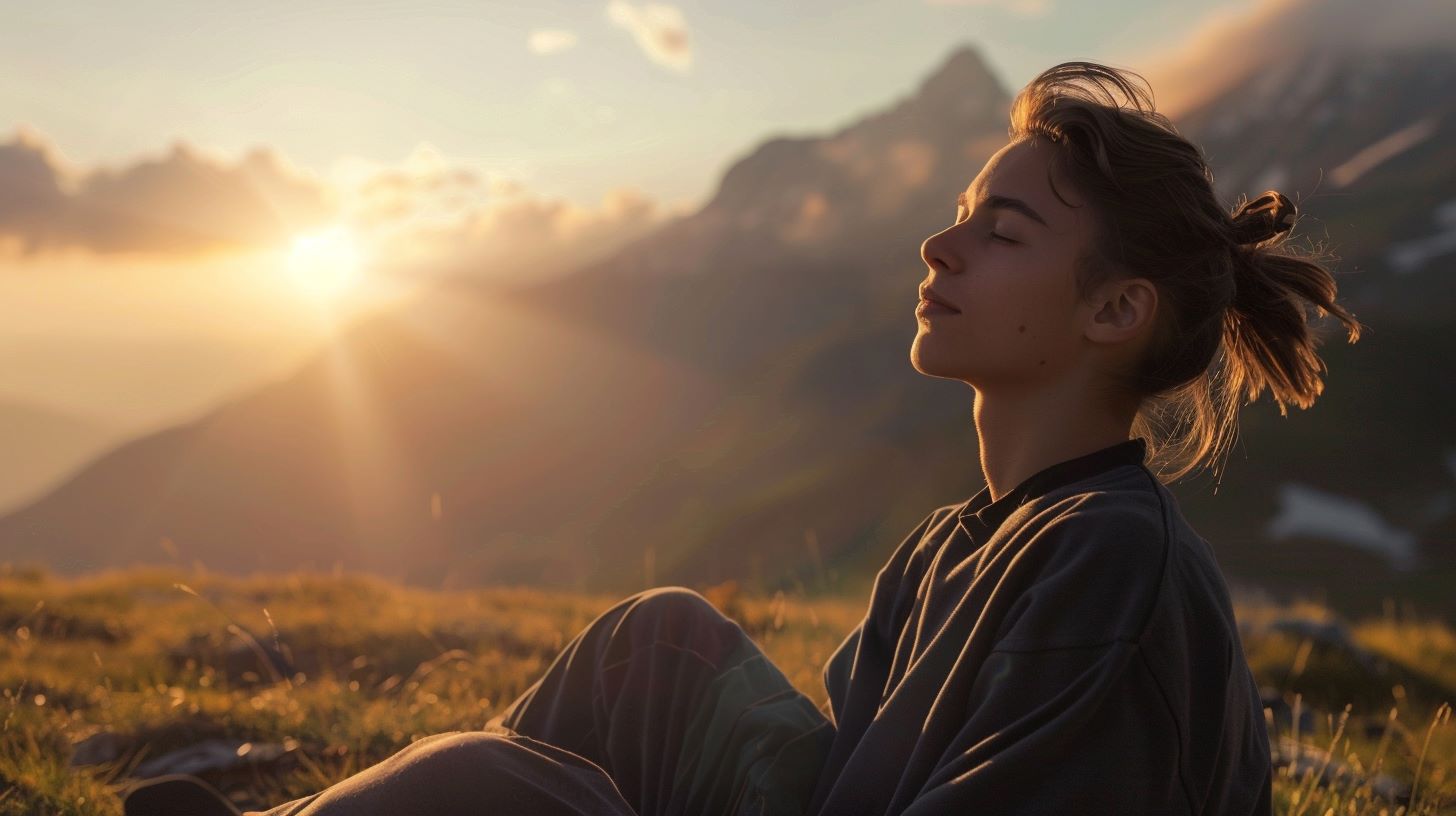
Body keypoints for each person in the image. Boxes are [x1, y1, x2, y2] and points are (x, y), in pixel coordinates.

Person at [122, 60, 1362, 816]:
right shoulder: (952, 546)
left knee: (496, 787)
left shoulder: (1111, 559)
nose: (939, 246)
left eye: (1002, 232)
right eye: (956, 214)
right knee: (656, 642)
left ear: (1113, 311)